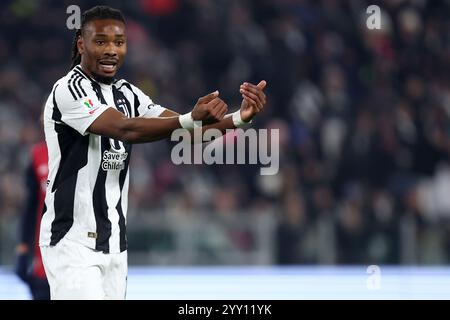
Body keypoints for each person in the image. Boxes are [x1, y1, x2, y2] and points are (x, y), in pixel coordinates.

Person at [39, 5, 267, 299]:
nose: (111, 50)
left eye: (119, 43)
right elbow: (125, 129)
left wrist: (240, 117)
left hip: (115, 246)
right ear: (81, 43)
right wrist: (189, 118)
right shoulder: (69, 89)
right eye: (101, 41)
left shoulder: (128, 93)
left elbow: (188, 133)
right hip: (73, 243)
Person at [15, 141, 50, 300]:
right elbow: (30, 205)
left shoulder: (84, 149)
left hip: (77, 260)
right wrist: (22, 248)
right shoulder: (38, 154)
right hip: (42, 261)